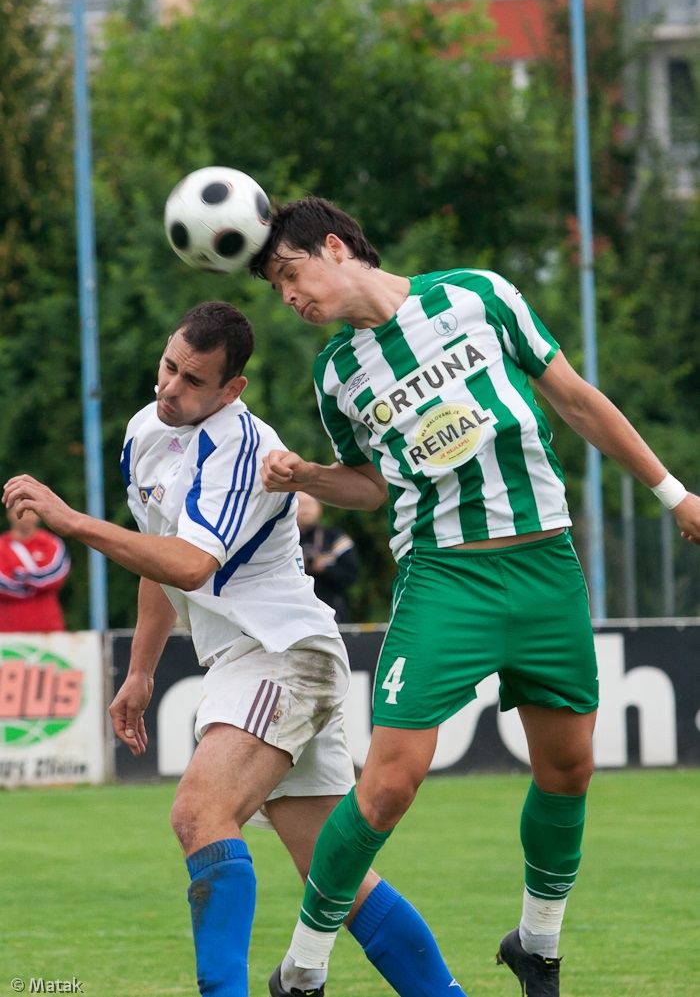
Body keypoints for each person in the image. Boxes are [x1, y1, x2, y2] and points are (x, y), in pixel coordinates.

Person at [251, 195, 700, 997]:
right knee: (388, 782)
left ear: (332, 246)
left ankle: (537, 942)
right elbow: (373, 483)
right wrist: (309, 475)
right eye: (277, 290)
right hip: (447, 577)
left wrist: (674, 493)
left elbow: (576, 398)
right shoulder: (337, 374)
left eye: (290, 274)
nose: (289, 297)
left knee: (569, 767)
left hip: (546, 566)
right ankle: (305, 967)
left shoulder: (479, 295)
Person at [2, 301, 468, 997]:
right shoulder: (145, 431)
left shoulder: (245, 450)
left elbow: (190, 565)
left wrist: (71, 519)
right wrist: (139, 671)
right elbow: (158, 561)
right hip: (259, 660)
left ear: (231, 390)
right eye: (168, 365)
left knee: (199, 812)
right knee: (331, 873)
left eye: (193, 381)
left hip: (280, 652)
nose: (169, 388)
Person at [0, 506, 71, 633]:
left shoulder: (52, 543)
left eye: (30, 510)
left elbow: (56, 575)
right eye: (20, 510)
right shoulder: (2, 546)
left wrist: (20, 576)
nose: (26, 516)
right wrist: (37, 585)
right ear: (9, 513)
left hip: (49, 631)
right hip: (8, 633)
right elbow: (3, 584)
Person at [296, 491, 359, 623]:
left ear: (319, 508)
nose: (304, 510)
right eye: (299, 504)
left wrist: (323, 569)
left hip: (332, 614)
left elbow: (351, 575)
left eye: (308, 504)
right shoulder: (285, 542)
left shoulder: (335, 539)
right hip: (296, 614)